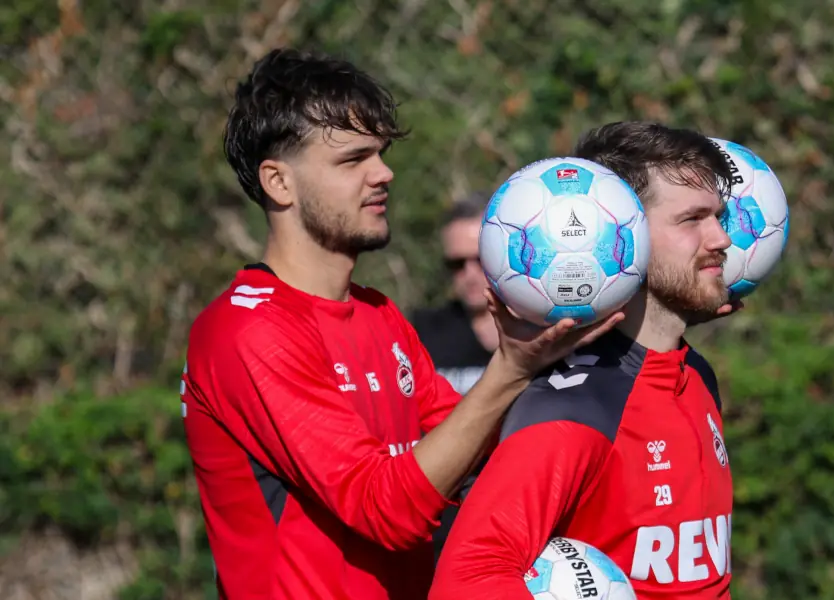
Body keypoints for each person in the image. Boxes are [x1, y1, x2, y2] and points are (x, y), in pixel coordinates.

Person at [179, 48, 621, 600]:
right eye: (352, 159)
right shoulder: (247, 331)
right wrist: (509, 369)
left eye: (381, 154)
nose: (383, 173)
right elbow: (385, 510)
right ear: (279, 182)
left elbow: (473, 455)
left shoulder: (379, 314)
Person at [430, 121, 742, 599]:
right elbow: (467, 579)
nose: (720, 238)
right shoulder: (574, 407)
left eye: (717, 216)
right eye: (692, 219)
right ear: (625, 234)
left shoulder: (695, 372)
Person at [409, 192, 498, 560]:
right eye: (456, 264)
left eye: (481, 260)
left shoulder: (548, 334)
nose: (469, 275)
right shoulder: (420, 334)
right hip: (441, 543)